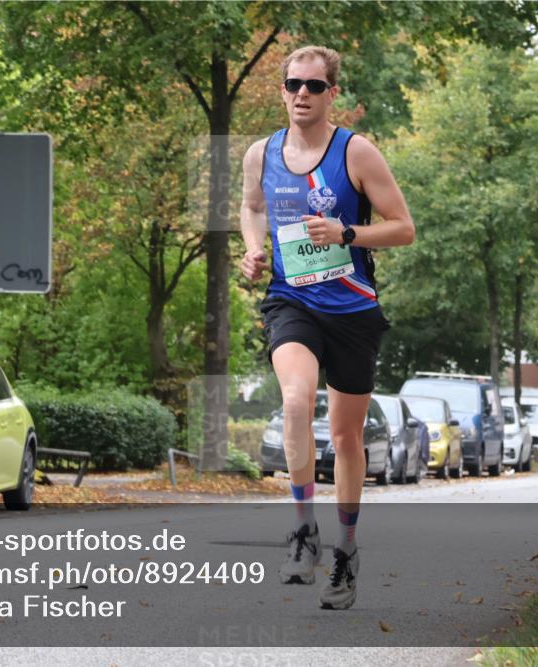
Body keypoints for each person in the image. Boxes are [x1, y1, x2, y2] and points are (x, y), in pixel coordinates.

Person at [239, 45, 415, 610]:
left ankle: (346, 550)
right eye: (293, 85)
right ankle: (302, 530)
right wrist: (252, 251)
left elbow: (403, 228)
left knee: (344, 437)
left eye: (314, 86)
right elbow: (252, 208)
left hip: (352, 310)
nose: (302, 95)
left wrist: (346, 235)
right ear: (283, 89)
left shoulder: (356, 153)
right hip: (292, 300)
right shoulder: (259, 153)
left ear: (332, 93)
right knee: (295, 400)